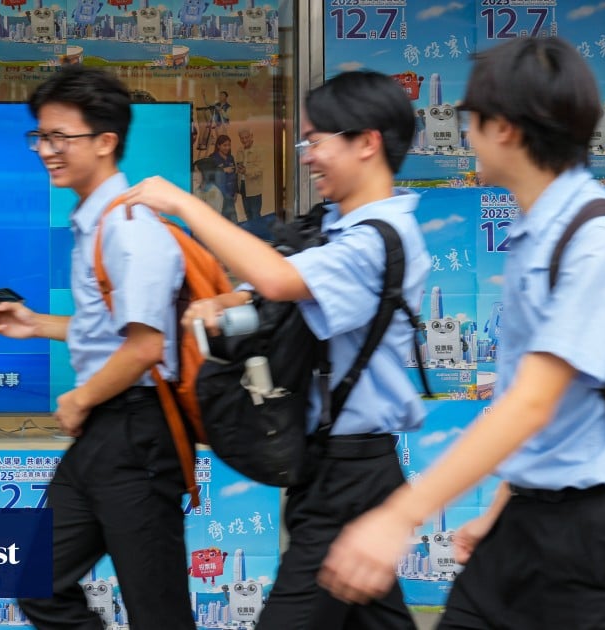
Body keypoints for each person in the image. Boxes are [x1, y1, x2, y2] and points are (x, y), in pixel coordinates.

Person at [318, 37, 605, 630]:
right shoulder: (540, 235)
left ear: (504, 129)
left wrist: (399, 515)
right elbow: (559, 415)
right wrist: (501, 507)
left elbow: (533, 403)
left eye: (471, 120)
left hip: (593, 543)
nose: (464, 134)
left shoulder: (598, 244)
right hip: (526, 523)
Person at [125, 70, 427, 629]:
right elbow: (277, 284)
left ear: (367, 142)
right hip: (332, 466)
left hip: (352, 473)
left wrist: (184, 206)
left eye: (317, 141)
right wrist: (230, 302)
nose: (308, 157)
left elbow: (283, 279)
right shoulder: (336, 227)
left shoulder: (377, 240)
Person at [0, 66, 194, 630]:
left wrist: (80, 399)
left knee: (158, 612)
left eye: (59, 138)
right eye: (41, 138)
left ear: (105, 142)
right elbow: (112, 332)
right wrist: (37, 324)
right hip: (108, 432)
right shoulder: (98, 221)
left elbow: (147, 347)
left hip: (137, 432)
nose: (46, 151)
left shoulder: (129, 226)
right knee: (38, 581)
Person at [236, 127, 264, 222]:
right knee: (248, 214)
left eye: (246, 137)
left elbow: (259, 170)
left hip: (254, 189)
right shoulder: (239, 150)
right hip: (243, 188)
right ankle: (252, 234)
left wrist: (246, 171)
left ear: (251, 136)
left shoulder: (258, 150)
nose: (244, 140)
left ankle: (258, 235)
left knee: (255, 215)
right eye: (242, 138)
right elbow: (238, 167)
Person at [208, 134, 238, 222]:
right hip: (220, 195)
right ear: (218, 146)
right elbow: (209, 175)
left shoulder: (230, 158)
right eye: (224, 145)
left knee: (232, 221)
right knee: (226, 221)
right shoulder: (212, 158)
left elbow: (234, 176)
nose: (227, 147)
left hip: (230, 194)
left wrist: (235, 191)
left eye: (229, 145)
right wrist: (223, 170)